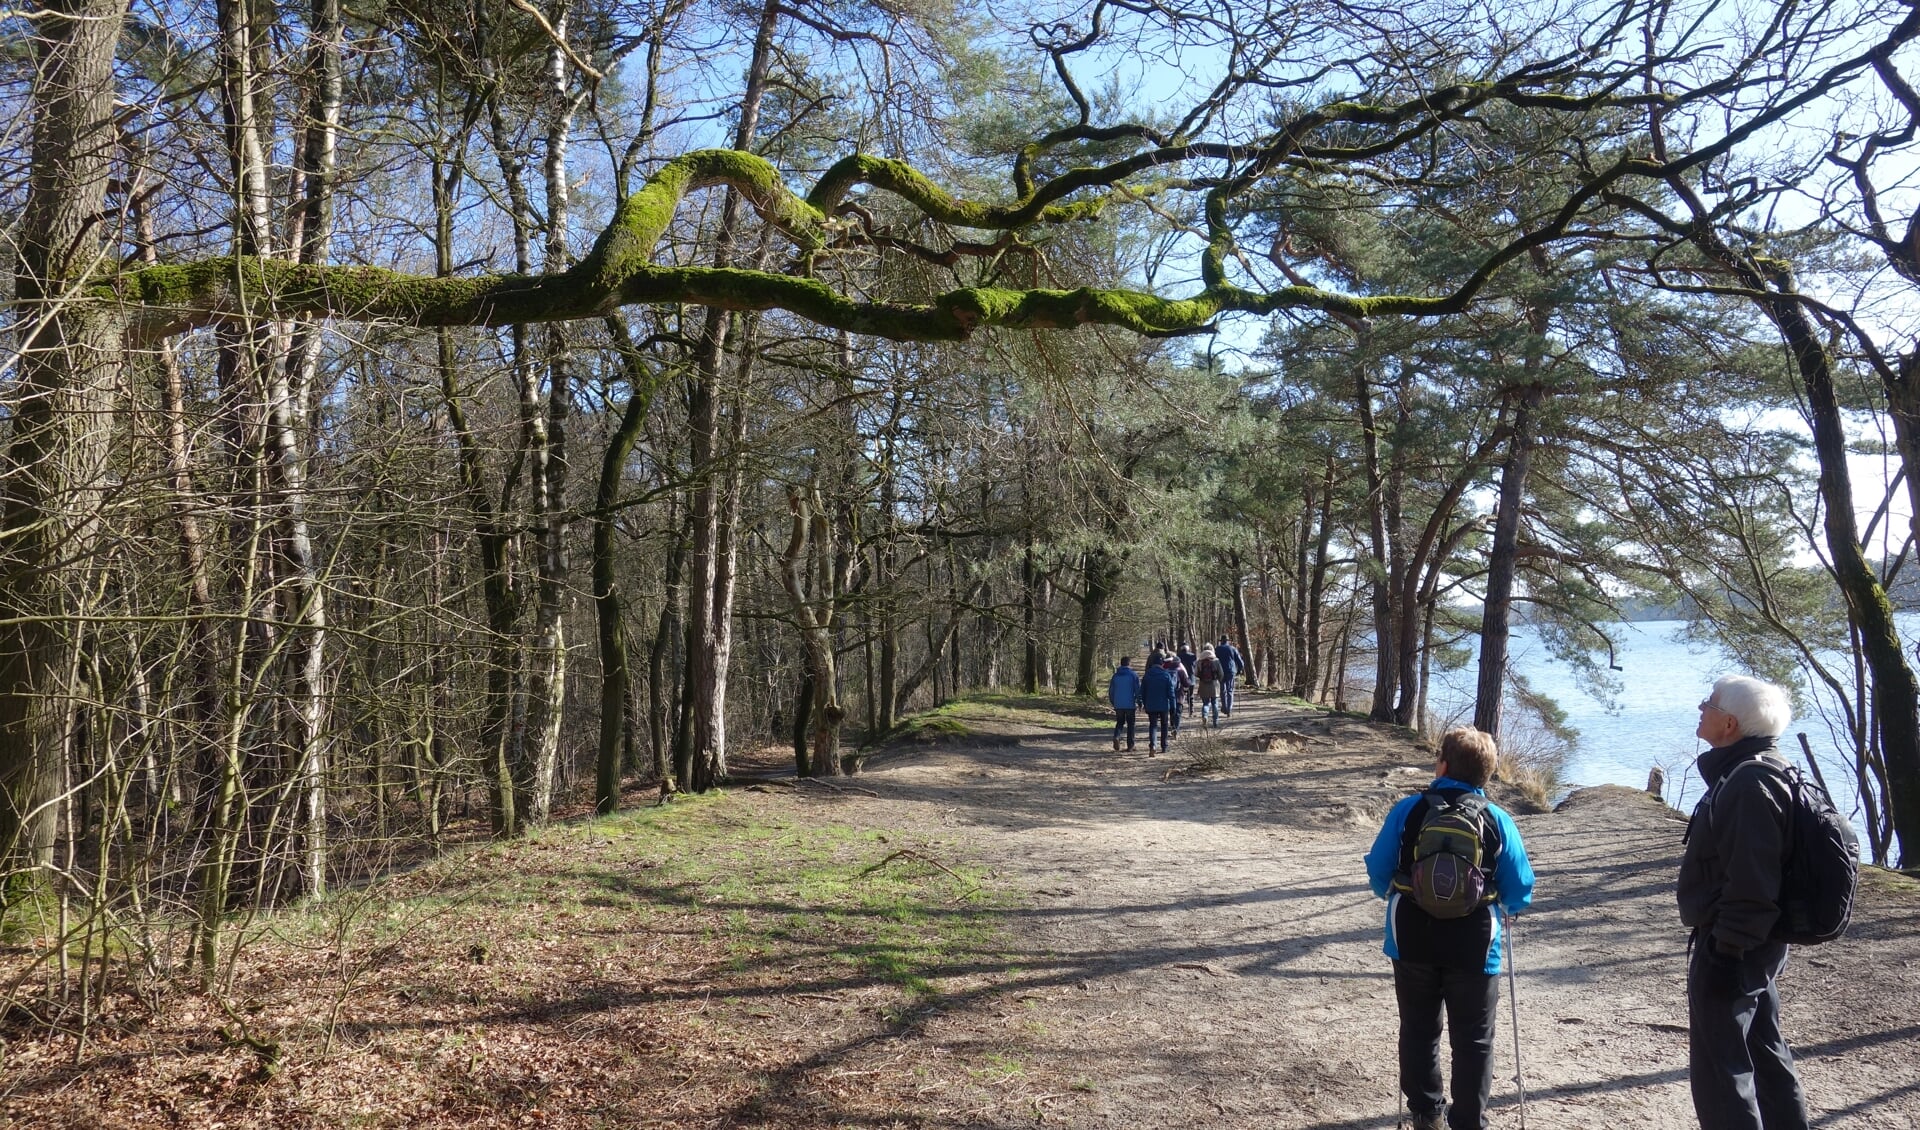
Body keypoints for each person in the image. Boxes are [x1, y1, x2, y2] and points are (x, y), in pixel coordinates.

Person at [1365, 728, 1534, 1130]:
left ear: (1441, 764)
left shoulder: (1408, 810)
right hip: (1475, 943)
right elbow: (1519, 888)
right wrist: (1508, 907)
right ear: (1487, 774)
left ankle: (1426, 1113)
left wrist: (1392, 890)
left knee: (1419, 1028)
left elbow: (1378, 869)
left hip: (1411, 936)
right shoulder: (1497, 819)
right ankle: (1469, 1121)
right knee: (1473, 1038)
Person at [1680, 675, 1810, 1130]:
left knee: (1722, 1074)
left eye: (1709, 703)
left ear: (1730, 723)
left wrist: (1726, 954)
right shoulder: (1762, 768)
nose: (1701, 707)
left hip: (1735, 944)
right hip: (1755, 942)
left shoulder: (1748, 783)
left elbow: (1753, 883)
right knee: (1764, 1054)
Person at [1139, 655, 1177, 755]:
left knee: (1153, 725)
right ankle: (1164, 746)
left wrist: (1142, 703)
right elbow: (1171, 692)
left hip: (1150, 705)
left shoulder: (1147, 675)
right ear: (1162, 664)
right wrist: (1173, 706)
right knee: (1164, 725)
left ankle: (1153, 745)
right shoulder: (1166, 675)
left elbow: (1142, 691)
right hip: (1163, 705)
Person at [1106, 657, 1141, 752]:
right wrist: (1139, 702)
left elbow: (1111, 691)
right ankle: (1130, 745)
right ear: (1129, 664)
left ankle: (1116, 736)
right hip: (1130, 704)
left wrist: (1113, 701)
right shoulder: (1133, 675)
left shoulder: (1115, 676)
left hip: (1118, 704)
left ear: (1121, 664)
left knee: (1120, 722)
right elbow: (1138, 690)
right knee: (1131, 724)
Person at [1163, 655, 1191, 737]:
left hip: (1169, 695)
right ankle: (1176, 729)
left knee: (1172, 712)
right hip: (1179, 695)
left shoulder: (1166, 671)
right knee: (1178, 713)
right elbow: (1186, 683)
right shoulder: (1181, 671)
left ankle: (1172, 727)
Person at [1215, 636, 1244, 715]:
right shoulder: (1233, 649)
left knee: (1222, 690)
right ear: (1228, 641)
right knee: (1230, 690)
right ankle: (1229, 709)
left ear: (1221, 641)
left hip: (1220, 671)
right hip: (1231, 671)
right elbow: (1239, 660)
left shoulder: (1217, 649)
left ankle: (1224, 707)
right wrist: (1240, 669)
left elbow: (1214, 660)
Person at [1195, 645, 1222, 728]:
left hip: (1203, 685)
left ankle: (1205, 716)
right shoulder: (1216, 660)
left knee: (1206, 703)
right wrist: (1219, 680)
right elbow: (1221, 673)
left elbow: (1196, 673)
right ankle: (1215, 722)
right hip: (1214, 685)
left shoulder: (1199, 661)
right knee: (1215, 703)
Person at [1176, 642, 1198, 711]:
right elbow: (1195, 666)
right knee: (1190, 694)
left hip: (1181, 678)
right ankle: (1191, 708)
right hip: (1191, 678)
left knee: (1181, 694)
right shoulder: (1193, 656)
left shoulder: (1178, 656)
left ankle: (1181, 707)